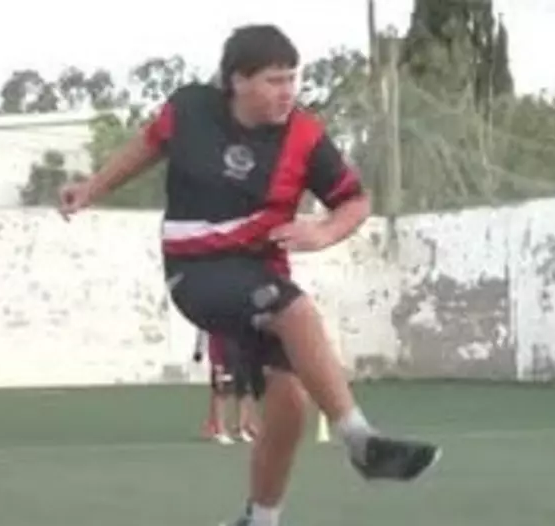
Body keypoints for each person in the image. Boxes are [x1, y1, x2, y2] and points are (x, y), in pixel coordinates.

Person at [58, 24, 440, 526]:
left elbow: (355, 201)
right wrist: (93, 187)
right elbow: (148, 145)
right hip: (196, 273)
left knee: (290, 403)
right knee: (295, 310)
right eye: (274, 80)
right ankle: (360, 441)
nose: (288, 92)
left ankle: (260, 519)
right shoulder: (191, 108)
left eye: (292, 79)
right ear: (237, 80)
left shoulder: (304, 136)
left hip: (260, 271)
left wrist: (324, 231)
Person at [193, 330, 262, 445]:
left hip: (242, 359)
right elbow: (213, 341)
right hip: (225, 359)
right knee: (222, 392)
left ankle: (241, 428)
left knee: (244, 392)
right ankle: (220, 430)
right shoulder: (219, 325)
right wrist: (217, 362)